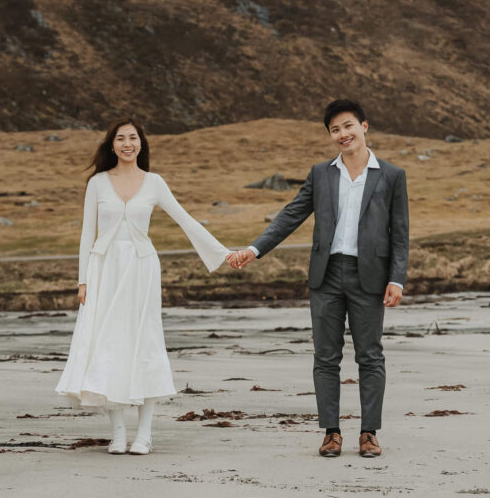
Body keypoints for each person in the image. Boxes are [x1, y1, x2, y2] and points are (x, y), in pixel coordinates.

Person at [229, 99, 409, 459]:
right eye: (335, 130)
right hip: (326, 276)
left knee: (370, 357)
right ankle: (331, 433)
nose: (343, 134)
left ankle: (369, 433)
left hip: (369, 277)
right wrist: (255, 249)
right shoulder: (321, 174)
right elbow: (290, 215)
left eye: (348, 126)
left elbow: (400, 233)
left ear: (364, 126)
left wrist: (397, 279)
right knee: (326, 358)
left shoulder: (391, 175)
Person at [56, 116, 234, 455]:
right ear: (112, 145)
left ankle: (145, 434)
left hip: (141, 271)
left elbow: (185, 220)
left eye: (133, 138)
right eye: (121, 138)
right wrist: (82, 280)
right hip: (104, 271)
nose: (127, 143)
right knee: (107, 347)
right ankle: (119, 433)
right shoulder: (97, 183)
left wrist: (224, 254)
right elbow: (86, 234)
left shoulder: (154, 182)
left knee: (144, 344)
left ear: (141, 144)